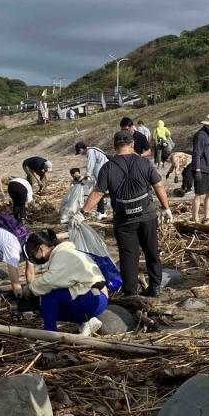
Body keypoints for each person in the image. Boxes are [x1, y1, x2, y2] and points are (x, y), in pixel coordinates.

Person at [80, 130, 172, 297]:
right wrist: (166, 208)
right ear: (132, 144)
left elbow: (98, 192)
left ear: (115, 146)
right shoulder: (143, 162)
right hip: (147, 215)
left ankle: (130, 291)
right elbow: (158, 185)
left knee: (128, 255)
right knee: (152, 251)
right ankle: (155, 287)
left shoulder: (108, 167)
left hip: (124, 219)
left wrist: (83, 211)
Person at [21, 229, 109, 335]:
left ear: (41, 249)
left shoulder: (61, 254)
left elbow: (50, 281)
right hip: (98, 296)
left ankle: (49, 334)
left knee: (48, 295)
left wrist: (30, 288)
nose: (34, 257)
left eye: (34, 253)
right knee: (51, 309)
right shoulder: (66, 252)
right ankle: (87, 322)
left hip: (93, 298)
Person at [74, 142, 109, 217]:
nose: (80, 153)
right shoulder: (93, 149)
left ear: (81, 149)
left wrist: (88, 175)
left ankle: (101, 213)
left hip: (103, 174)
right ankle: (100, 211)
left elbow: (91, 164)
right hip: (104, 172)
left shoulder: (90, 152)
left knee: (98, 192)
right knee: (100, 192)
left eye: (79, 152)